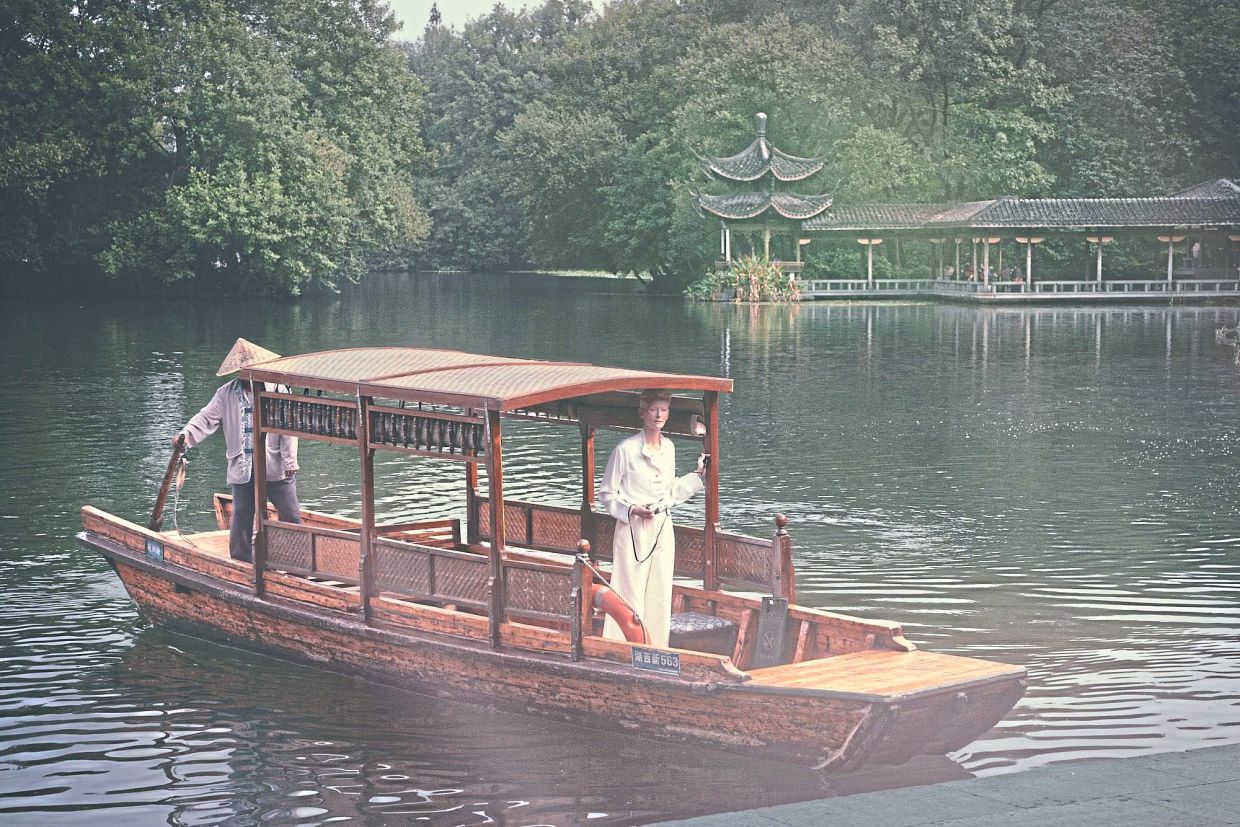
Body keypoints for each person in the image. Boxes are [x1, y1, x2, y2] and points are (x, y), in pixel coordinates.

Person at [174, 338, 300, 562]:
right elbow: (206, 417)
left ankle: (298, 558)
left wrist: (290, 461)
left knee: (290, 513)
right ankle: (241, 560)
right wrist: (185, 435)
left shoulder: (279, 389)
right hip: (243, 466)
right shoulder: (226, 393)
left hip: (275, 465)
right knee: (242, 514)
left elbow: (289, 427)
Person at [598, 388, 706, 647]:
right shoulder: (625, 450)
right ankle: (621, 646)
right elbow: (607, 493)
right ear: (642, 413)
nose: (658, 415)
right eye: (653, 410)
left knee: (660, 589)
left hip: (662, 526)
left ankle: (656, 646)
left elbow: (669, 492)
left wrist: (698, 474)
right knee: (628, 588)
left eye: (663, 410)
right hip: (632, 527)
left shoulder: (669, 448)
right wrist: (632, 509)